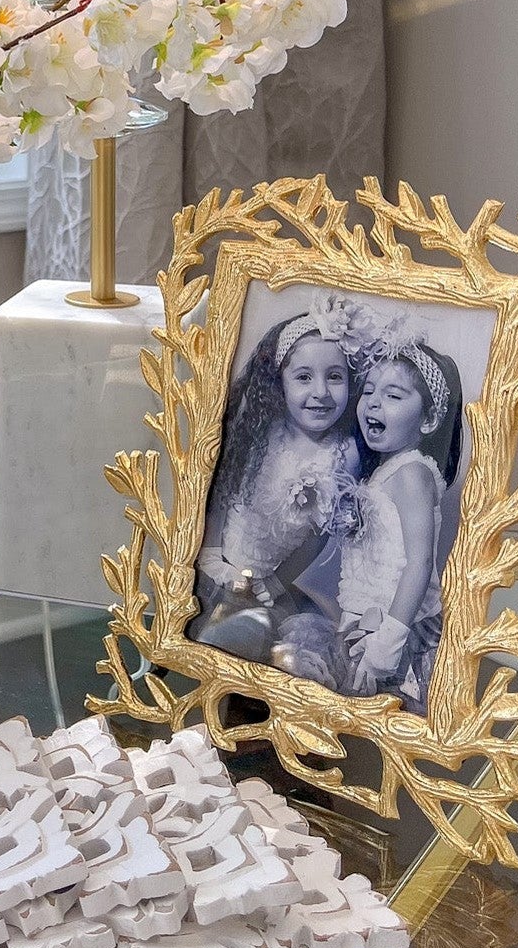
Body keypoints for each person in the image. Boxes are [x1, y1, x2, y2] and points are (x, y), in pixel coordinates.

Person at [192, 293, 368, 674]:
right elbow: (223, 497)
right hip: (219, 567)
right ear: (280, 383)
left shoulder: (345, 452)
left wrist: (279, 582)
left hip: (275, 586)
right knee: (211, 642)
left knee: (268, 651)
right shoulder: (258, 434)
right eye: (303, 377)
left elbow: (319, 537)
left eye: (334, 377)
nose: (320, 392)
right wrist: (216, 563)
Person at [336, 322, 465, 713]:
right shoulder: (382, 471)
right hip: (363, 624)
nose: (373, 403)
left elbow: (419, 564)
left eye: (393, 395)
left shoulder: (412, 473)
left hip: (396, 634)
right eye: (369, 392)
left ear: (426, 421)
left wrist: (387, 644)